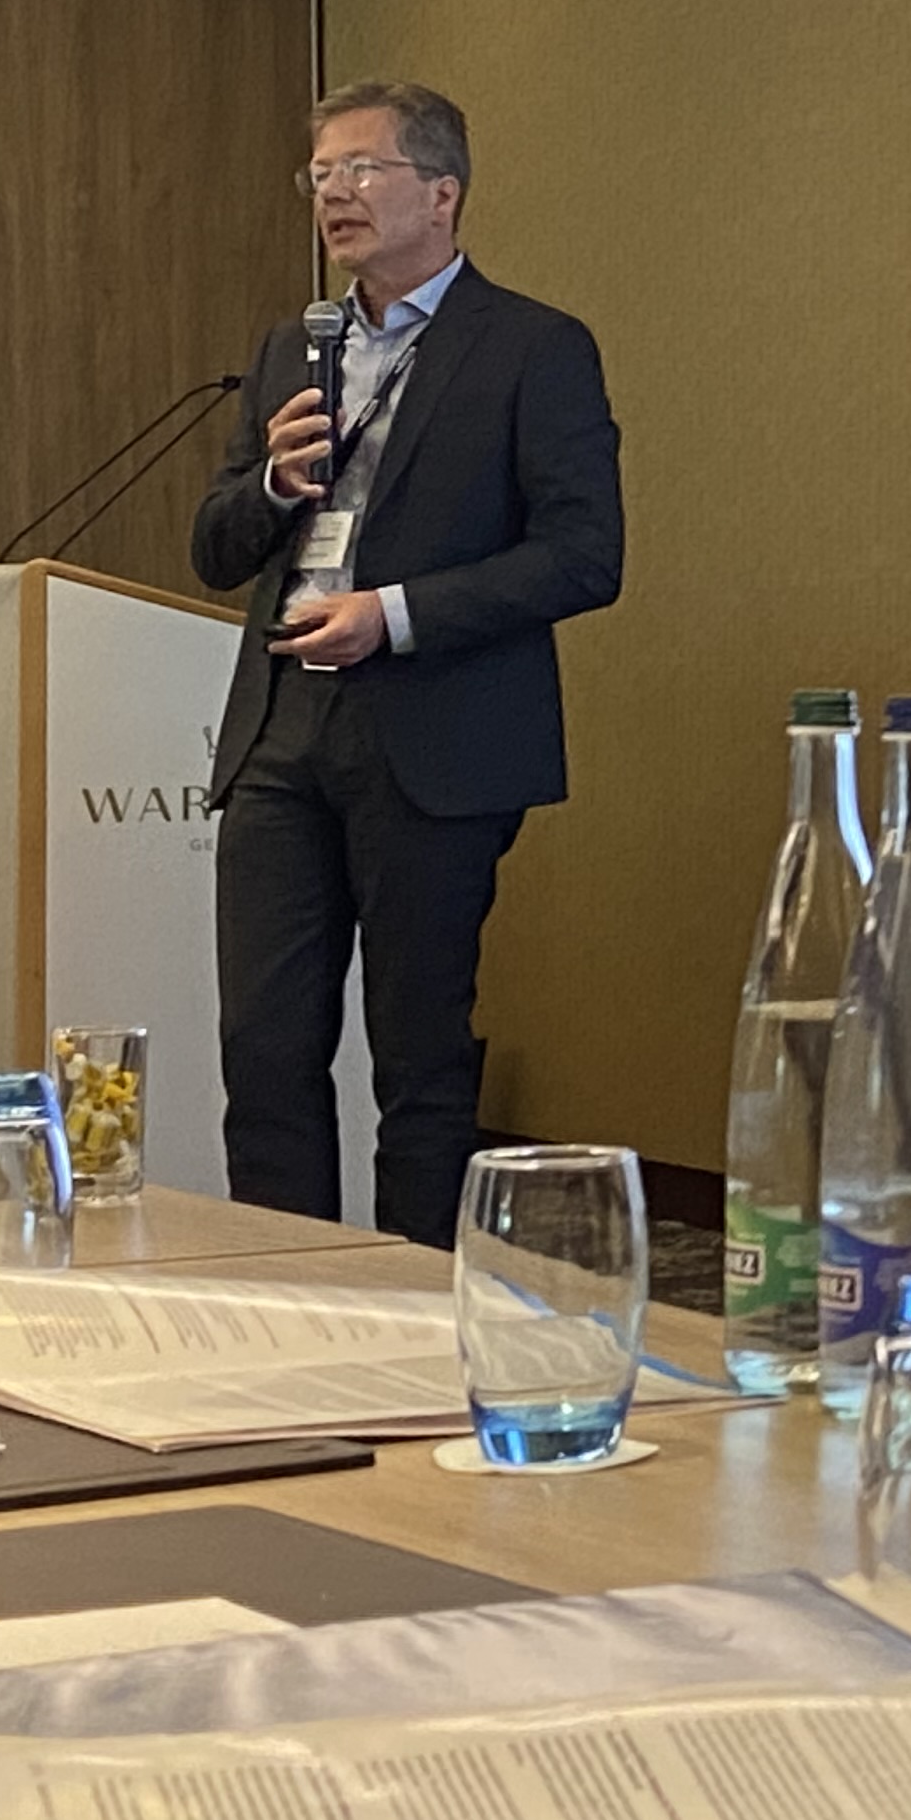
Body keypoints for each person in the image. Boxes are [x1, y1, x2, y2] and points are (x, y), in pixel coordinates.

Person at [191, 85, 623, 1244]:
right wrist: (272, 482)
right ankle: (284, 1297)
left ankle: (417, 1303)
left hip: (434, 735)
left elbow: (586, 555)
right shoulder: (295, 347)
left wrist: (393, 615)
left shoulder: (534, 348)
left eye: (362, 169)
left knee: (419, 1057)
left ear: (442, 193)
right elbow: (215, 550)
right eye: (321, 174)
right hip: (282, 727)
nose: (334, 193)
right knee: (263, 1048)